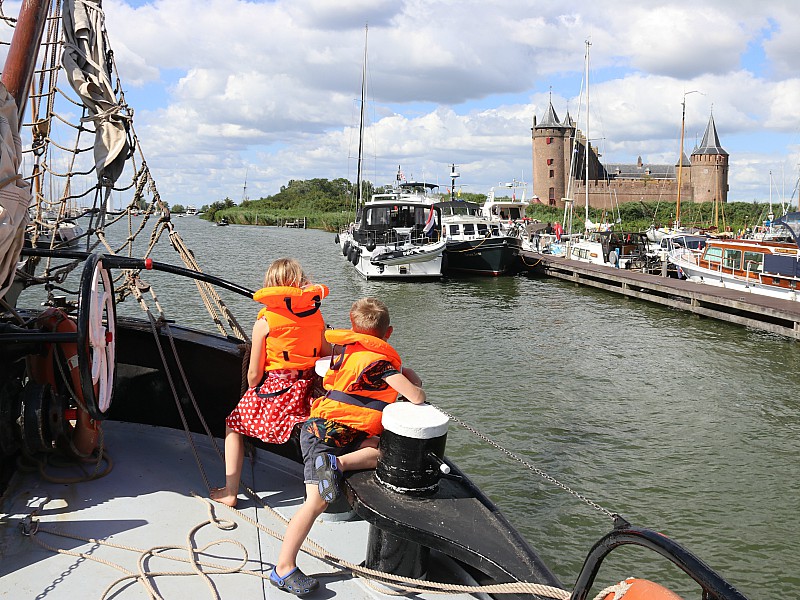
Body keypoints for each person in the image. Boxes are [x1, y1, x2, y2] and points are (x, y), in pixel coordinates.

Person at [270, 297, 426, 596]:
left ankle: (337, 464)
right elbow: (416, 396)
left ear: (353, 327)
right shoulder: (381, 363)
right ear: (388, 333)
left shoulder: (343, 351)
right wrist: (409, 375)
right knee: (316, 503)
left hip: (322, 430)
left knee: (377, 450)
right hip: (330, 437)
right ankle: (282, 568)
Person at [211, 258, 330, 508]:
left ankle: (230, 492)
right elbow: (325, 352)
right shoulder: (316, 316)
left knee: (234, 424)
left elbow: (253, 376)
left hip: (280, 392)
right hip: (310, 391)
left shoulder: (264, 323)